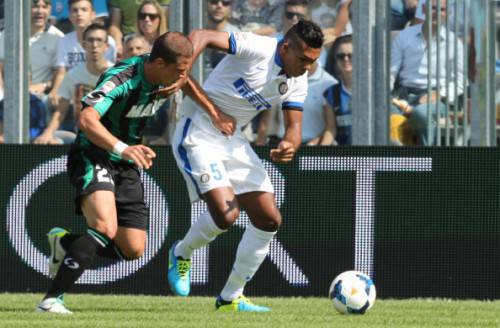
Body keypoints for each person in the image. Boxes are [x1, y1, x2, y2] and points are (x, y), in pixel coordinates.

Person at [167, 20, 323, 312]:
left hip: (232, 137)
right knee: (227, 215)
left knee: (269, 219)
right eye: (303, 59)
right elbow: (201, 34)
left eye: (313, 62)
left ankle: (230, 297)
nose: (307, 68)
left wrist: (290, 145)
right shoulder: (258, 46)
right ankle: (181, 252)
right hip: (198, 128)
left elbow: (294, 128)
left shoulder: (297, 80)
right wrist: (182, 69)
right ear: (286, 47)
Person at [36, 31, 193, 314]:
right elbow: (86, 119)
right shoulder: (121, 78)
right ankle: (50, 301)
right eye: (179, 71)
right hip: (94, 154)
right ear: (159, 63)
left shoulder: (168, 71)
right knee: (104, 228)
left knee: (133, 249)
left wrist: (184, 83)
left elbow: (183, 73)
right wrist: (123, 148)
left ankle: (65, 243)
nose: (183, 76)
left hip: (126, 163)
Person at [390, 0, 464, 145]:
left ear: (447, 14)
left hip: (438, 99)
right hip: (403, 96)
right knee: (381, 110)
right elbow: (391, 73)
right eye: (433, 8)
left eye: (442, 10)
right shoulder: (404, 37)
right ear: (424, 9)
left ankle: (428, 160)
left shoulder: (454, 42)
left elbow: (461, 81)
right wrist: (386, 96)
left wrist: (440, 94)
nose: (437, 13)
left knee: (421, 114)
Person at [35, 23, 114, 144]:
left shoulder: (118, 75)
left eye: (99, 40)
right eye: (90, 40)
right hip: (81, 137)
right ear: (83, 45)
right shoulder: (73, 75)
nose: (94, 45)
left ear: (107, 46)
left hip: (112, 137)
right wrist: (48, 133)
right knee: (52, 141)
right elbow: (61, 111)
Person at [50, 0, 117, 109]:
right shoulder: (64, 41)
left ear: (93, 14)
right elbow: (61, 72)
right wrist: (55, 90)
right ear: (70, 16)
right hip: (70, 91)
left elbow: (109, 75)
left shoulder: (107, 42)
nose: (79, 14)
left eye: (84, 10)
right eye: (75, 10)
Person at [0, 0, 64, 100]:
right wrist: (2, 93)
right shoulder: (8, 33)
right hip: (9, 94)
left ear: (50, 10)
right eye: (35, 6)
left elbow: (61, 73)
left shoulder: (58, 38)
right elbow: (1, 66)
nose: (40, 11)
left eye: (44, 7)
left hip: (41, 97)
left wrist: (44, 86)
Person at [205, 0, 240, 69]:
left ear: (231, 8)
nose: (219, 6)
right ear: (206, 5)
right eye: (214, 2)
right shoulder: (198, 30)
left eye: (225, 3)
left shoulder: (236, 35)